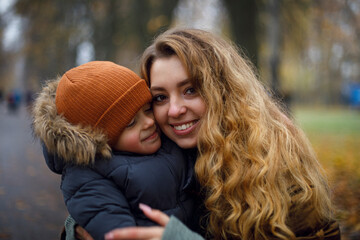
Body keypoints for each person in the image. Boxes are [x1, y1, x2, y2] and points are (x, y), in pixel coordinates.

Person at [103, 28, 341, 240]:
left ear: (224, 92)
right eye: (160, 97)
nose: (174, 110)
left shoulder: (276, 164)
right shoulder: (151, 150)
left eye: (190, 90)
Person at [31, 61, 197, 240]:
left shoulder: (167, 139)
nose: (149, 122)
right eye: (130, 123)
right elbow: (117, 232)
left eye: (148, 110)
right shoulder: (89, 178)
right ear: (100, 139)